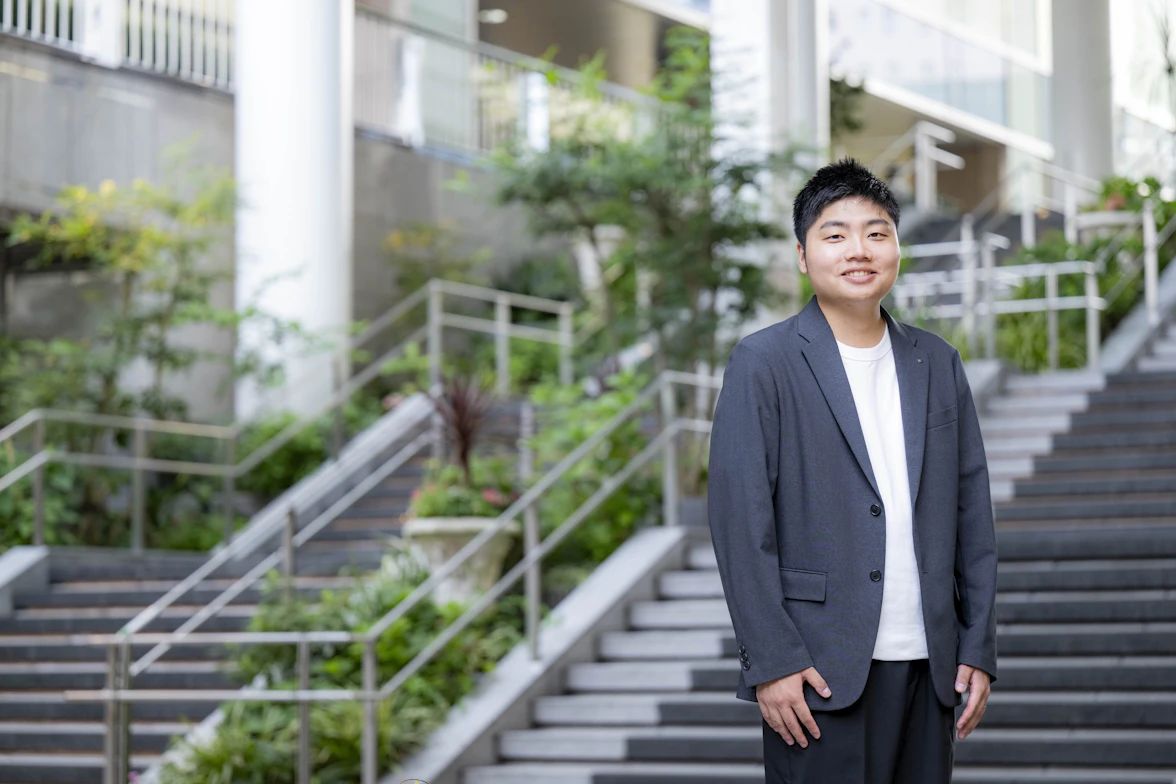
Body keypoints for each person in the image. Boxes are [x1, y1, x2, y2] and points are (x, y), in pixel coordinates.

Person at [706, 158, 998, 783]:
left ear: (896, 248)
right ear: (803, 256)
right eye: (835, 235)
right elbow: (739, 523)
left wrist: (977, 645)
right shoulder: (763, 362)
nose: (859, 250)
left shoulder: (937, 362)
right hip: (816, 670)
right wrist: (772, 660)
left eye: (876, 232)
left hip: (931, 665)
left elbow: (972, 516)